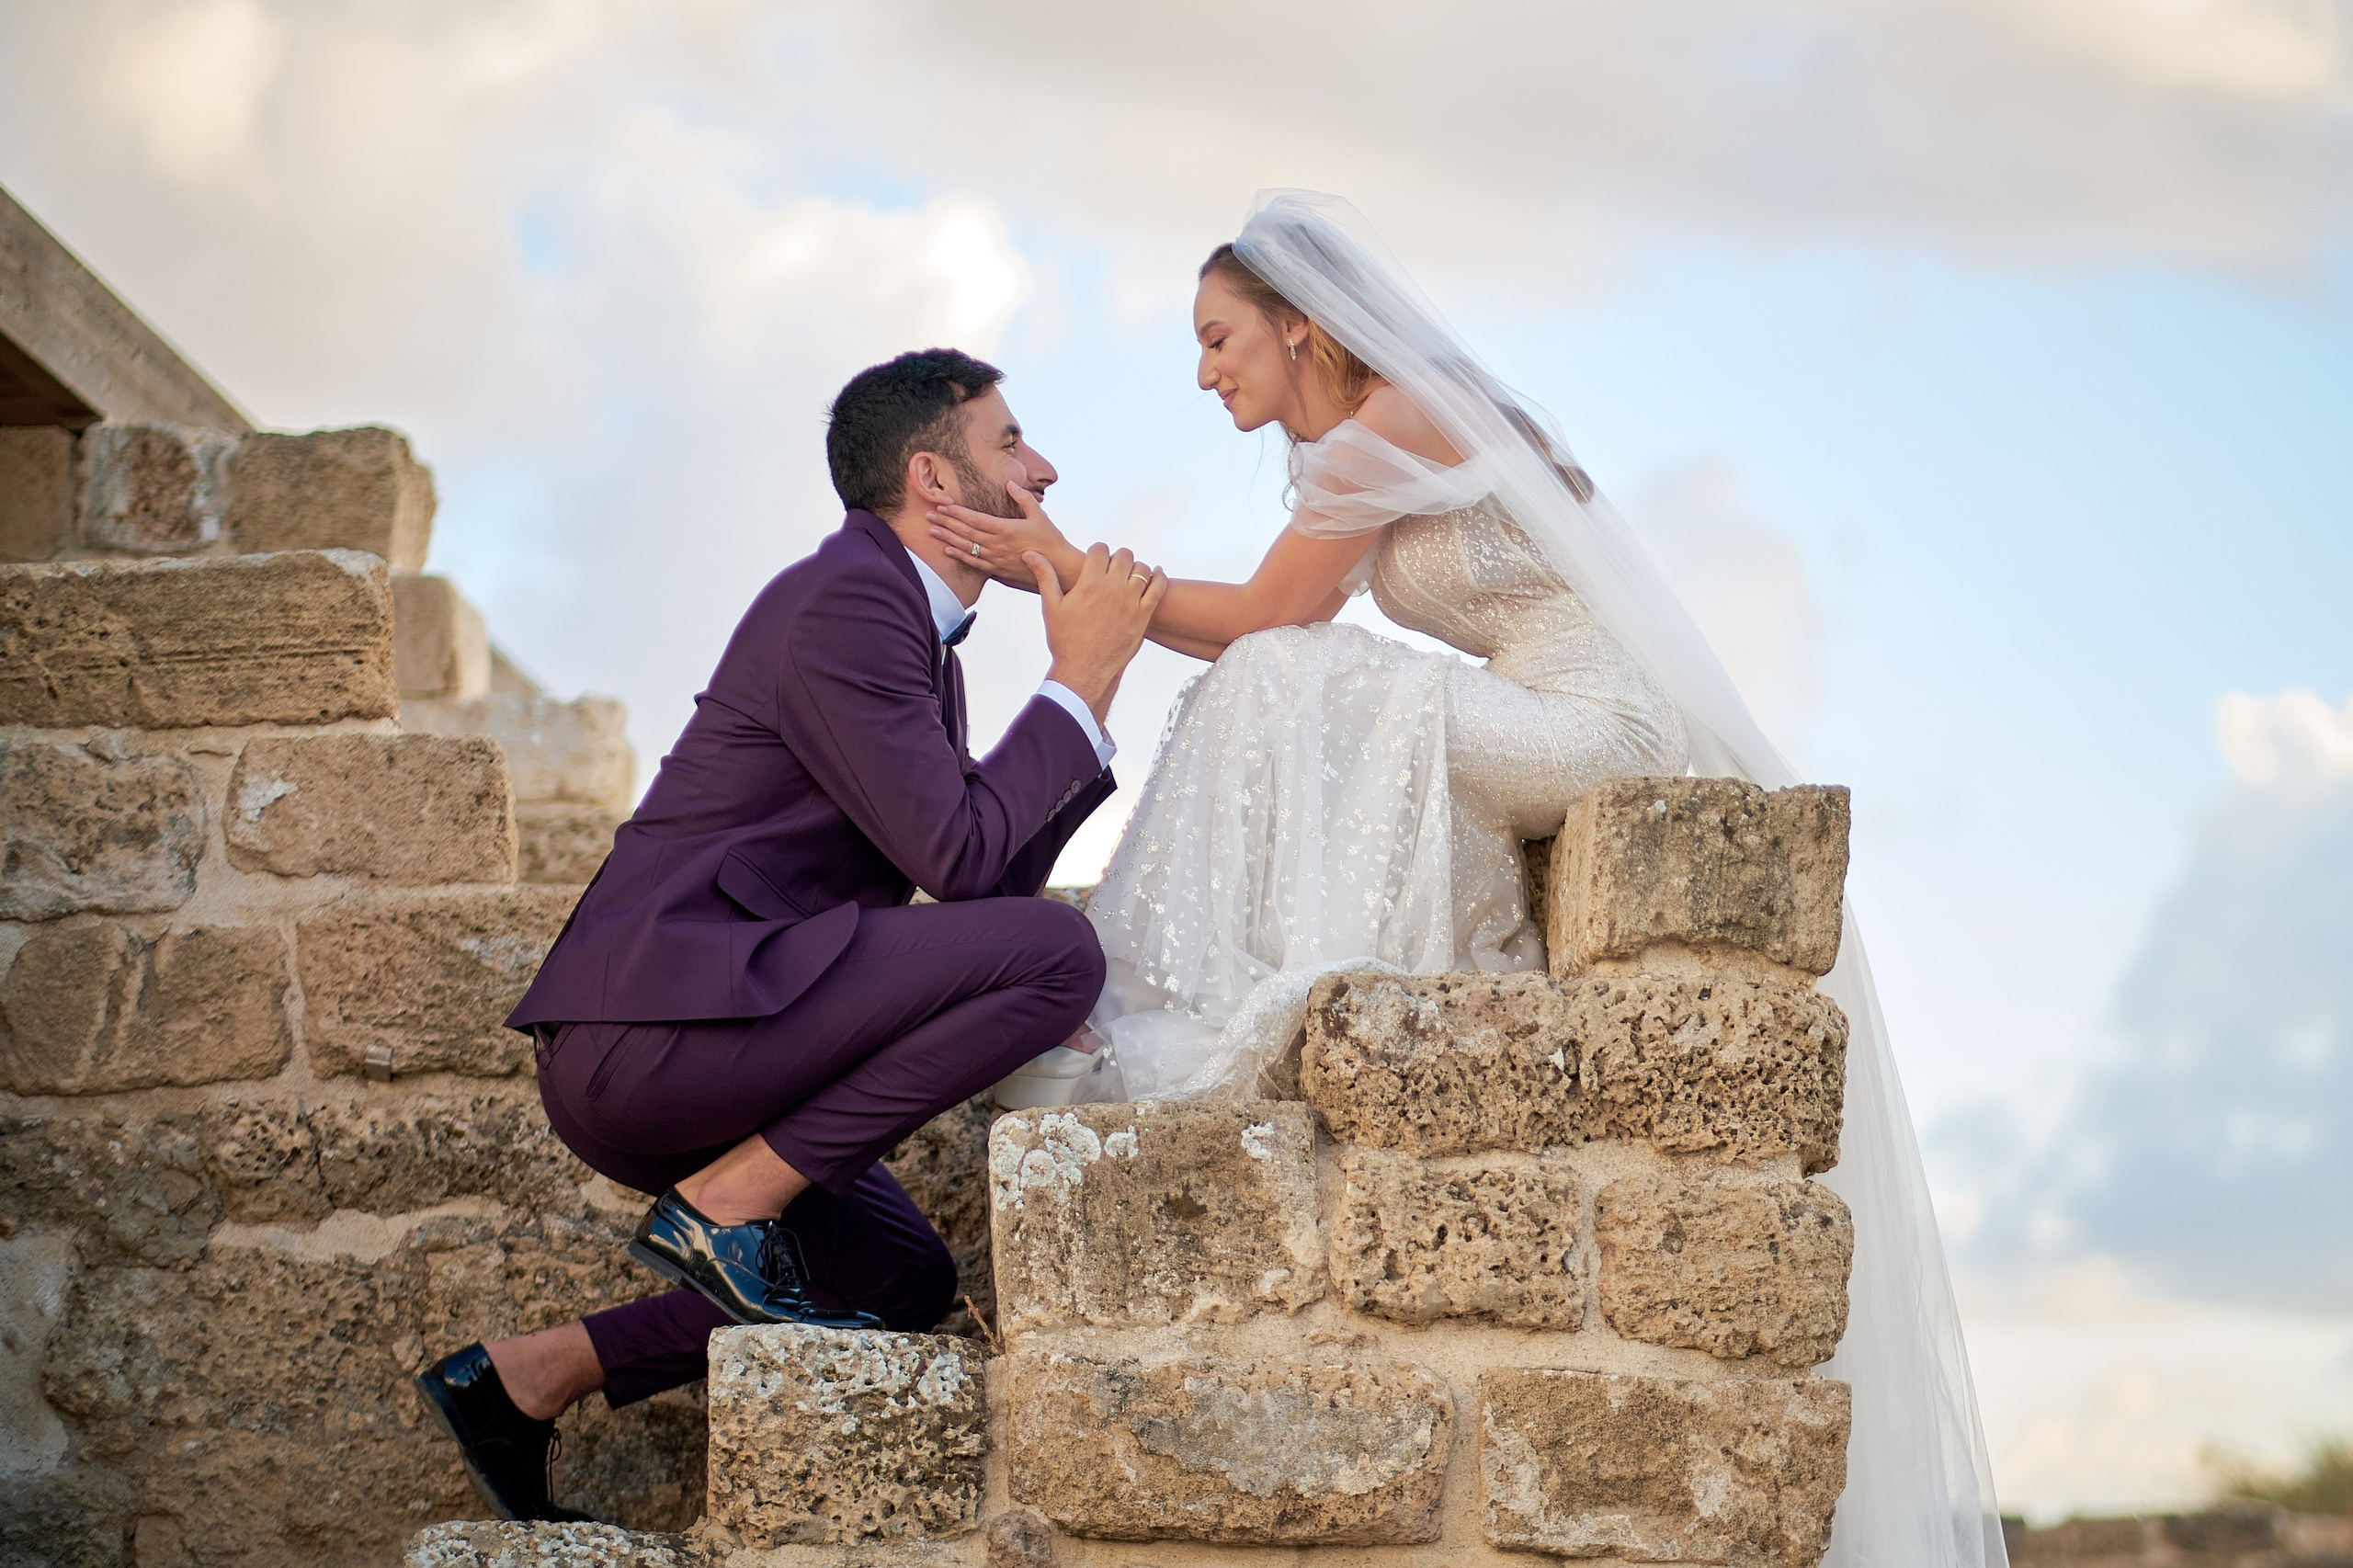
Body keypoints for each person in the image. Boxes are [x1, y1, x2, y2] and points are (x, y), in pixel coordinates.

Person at [933, 191, 2010, 1568]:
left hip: (1588, 724)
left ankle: (1150, 993)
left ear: (1302, 325)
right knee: (1306, 677)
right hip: (1532, 713)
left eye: (1219, 339)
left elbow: (1268, 618)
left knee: (1293, 671)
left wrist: (1052, 572)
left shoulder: (1406, 416)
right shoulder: (1380, 432)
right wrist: (1066, 574)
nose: (1205, 373)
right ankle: (1170, 983)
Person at [410, 348, 1165, 1522]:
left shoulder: (909, 639)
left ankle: (528, 1376)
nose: (1045, 470)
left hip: (722, 1030)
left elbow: (978, 893)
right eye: (1013, 445)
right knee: (1063, 956)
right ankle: (726, 1202)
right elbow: (971, 869)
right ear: (935, 480)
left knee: (898, 1276)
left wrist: (1089, 698)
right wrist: (1071, 683)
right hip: (655, 1030)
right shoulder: (847, 600)